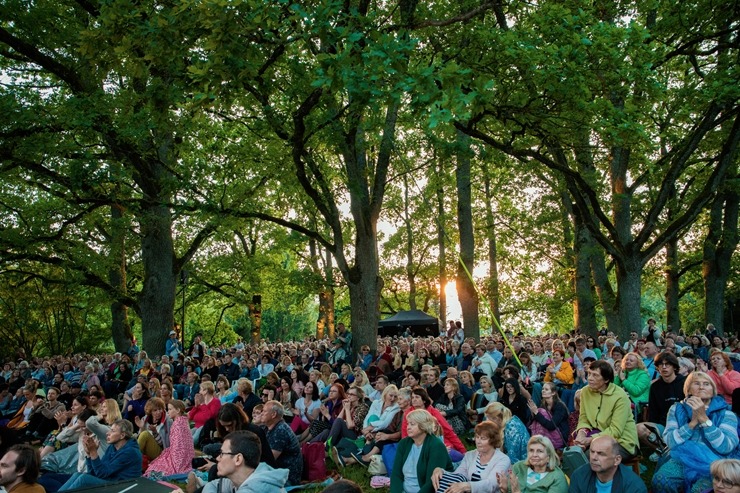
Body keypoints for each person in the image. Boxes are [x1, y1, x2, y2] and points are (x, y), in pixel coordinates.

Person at [652, 371, 739, 493]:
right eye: (696, 383)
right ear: (688, 389)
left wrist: (704, 419)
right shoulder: (677, 409)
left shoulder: (727, 413)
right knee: (661, 480)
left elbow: (726, 446)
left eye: (706, 384)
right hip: (681, 458)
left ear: (713, 390)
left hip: (714, 460)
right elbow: (670, 441)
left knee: (700, 489)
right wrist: (691, 424)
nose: (702, 387)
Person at [573, 360, 638, 460]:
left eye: (595, 375)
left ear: (606, 380)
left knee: (587, 458)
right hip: (597, 435)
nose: (589, 378)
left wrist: (590, 440)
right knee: (574, 454)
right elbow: (584, 418)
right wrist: (581, 434)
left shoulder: (620, 396)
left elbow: (615, 431)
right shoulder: (585, 391)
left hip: (622, 441)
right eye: (589, 373)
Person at [57, 419, 142, 491]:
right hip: (110, 481)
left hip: (125, 487)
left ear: (122, 435)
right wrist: (89, 454)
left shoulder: (130, 452)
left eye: (112, 431)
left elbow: (102, 473)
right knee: (77, 475)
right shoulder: (112, 447)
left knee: (84, 479)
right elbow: (94, 473)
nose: (107, 433)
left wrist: (94, 452)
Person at [431, 421, 511, 493]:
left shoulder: (503, 459)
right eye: (477, 437)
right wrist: (441, 471)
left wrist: (468, 486)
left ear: (493, 440)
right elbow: (458, 476)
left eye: (483, 438)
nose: (478, 441)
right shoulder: (470, 455)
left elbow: (491, 485)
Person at [202, 430, 288, 493]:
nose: (217, 458)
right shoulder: (245, 479)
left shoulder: (257, 489)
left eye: (222, 453)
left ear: (238, 459)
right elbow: (212, 485)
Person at [636, 351, 685, 459]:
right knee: (639, 428)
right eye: (660, 365)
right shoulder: (655, 387)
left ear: (674, 367)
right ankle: (662, 450)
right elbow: (653, 411)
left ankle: (671, 451)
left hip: (683, 424)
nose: (664, 367)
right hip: (663, 425)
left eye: (667, 364)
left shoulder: (684, 383)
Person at [390, 409, 453, 493]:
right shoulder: (404, 443)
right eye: (408, 423)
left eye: (412, 424)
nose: (408, 427)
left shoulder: (436, 445)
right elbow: (396, 474)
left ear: (423, 426)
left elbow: (430, 484)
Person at [568, 435, 647, 493]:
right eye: (592, 452)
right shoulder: (579, 476)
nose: (594, 457)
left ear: (617, 460)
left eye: (601, 454)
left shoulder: (634, 486)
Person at [497, 435, 568, 493]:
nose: (534, 455)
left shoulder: (557, 477)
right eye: (531, 450)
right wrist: (504, 489)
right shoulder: (519, 467)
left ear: (548, 456)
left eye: (540, 451)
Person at [144, 399, 193, 478]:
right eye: (168, 409)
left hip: (174, 455)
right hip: (172, 451)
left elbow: (179, 447)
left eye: (170, 409)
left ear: (177, 410)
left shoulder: (177, 424)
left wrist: (155, 432)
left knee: (157, 467)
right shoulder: (180, 422)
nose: (168, 411)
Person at [262, 400, 302, 486]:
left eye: (264, 411)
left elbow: (269, 460)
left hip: (287, 478)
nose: (262, 413)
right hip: (277, 472)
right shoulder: (268, 427)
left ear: (273, 414)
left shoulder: (281, 431)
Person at [526, 382, 569, 450]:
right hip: (547, 435)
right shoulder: (543, 405)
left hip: (560, 437)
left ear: (553, 393)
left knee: (541, 412)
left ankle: (538, 442)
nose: (543, 390)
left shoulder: (560, 406)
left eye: (546, 389)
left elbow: (551, 426)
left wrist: (537, 413)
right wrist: (533, 413)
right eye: (543, 389)